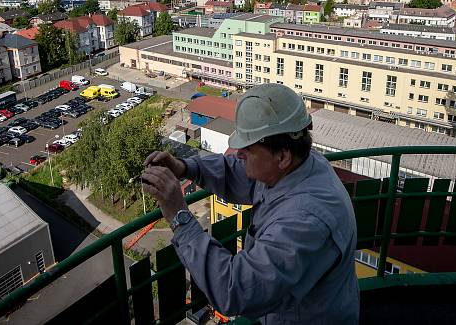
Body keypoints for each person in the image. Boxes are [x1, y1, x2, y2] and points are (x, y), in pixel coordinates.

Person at [142, 83, 359, 324]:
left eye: (248, 147)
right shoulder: (297, 165)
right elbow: (239, 172)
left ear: (283, 155)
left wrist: (178, 215)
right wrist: (185, 167)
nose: (239, 153)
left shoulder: (305, 221)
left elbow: (234, 291)